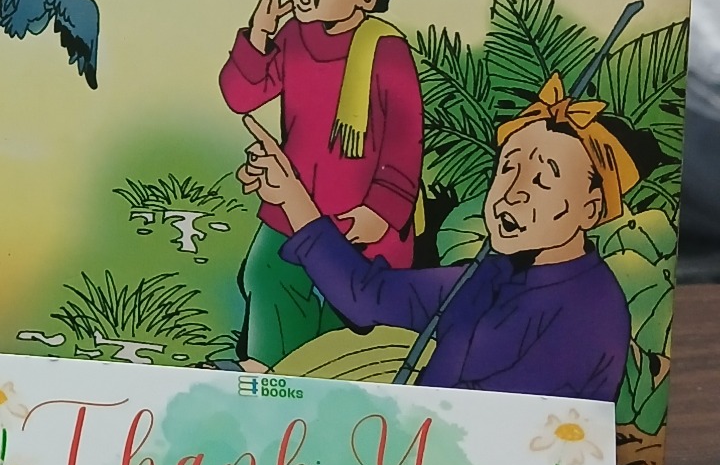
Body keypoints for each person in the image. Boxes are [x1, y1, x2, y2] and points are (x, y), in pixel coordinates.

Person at [236, 74, 634, 399]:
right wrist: (291, 195)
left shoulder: (590, 311)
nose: (513, 193)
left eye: (543, 180)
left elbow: (496, 428)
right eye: (508, 169)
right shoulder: (487, 275)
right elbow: (369, 294)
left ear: (591, 209)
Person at [219, 0, 423, 368]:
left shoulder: (386, 50)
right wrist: (261, 29)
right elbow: (241, 95)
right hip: (289, 204)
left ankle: (321, 376)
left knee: (344, 307)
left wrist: (381, 212)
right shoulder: (294, 36)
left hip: (358, 218)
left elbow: (405, 143)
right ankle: (265, 368)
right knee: (265, 275)